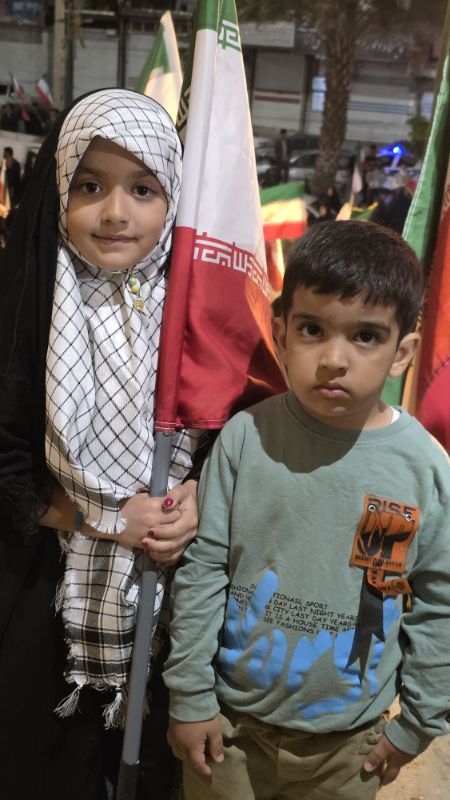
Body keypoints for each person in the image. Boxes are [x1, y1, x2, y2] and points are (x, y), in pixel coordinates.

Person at [164, 220, 450, 800]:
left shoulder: (424, 469)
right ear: (281, 333)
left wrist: (419, 722)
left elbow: (439, 604)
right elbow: (203, 571)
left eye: (366, 336)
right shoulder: (245, 438)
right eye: (313, 329)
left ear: (403, 353)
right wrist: (189, 695)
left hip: (350, 747)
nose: (333, 359)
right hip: (231, 732)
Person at [0, 88, 204, 800]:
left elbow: (224, 439)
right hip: (41, 591)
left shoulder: (194, 316)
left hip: (173, 601)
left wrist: (195, 501)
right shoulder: (27, 304)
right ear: (58, 190)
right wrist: (106, 519)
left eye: (143, 189)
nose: (116, 212)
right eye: (89, 186)